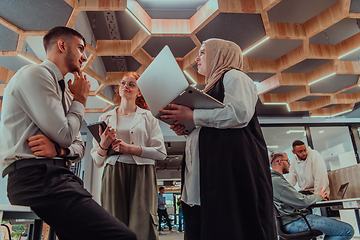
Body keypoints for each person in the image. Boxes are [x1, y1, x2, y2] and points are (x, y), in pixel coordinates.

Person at [0, 26, 136, 240]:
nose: (84, 57)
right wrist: (81, 99)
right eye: (81, 48)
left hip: (58, 177)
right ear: (62, 45)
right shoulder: (36, 74)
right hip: (35, 178)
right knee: (124, 237)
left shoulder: (65, 94)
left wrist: (58, 150)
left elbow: (78, 146)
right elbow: (66, 135)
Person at [159, 38, 276, 240]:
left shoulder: (234, 76)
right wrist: (188, 128)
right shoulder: (207, 89)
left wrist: (193, 117)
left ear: (220, 55)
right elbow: (213, 125)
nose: (197, 58)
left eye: (203, 52)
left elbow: (239, 114)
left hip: (229, 176)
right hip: (204, 182)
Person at [91, 72, 166, 240]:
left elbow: (161, 152)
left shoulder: (148, 117)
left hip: (142, 173)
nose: (125, 86)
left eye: (132, 84)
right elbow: (97, 160)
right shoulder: (105, 117)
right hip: (113, 173)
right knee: (113, 222)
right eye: (123, 83)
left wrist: (130, 149)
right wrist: (103, 145)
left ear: (139, 91)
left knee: (143, 224)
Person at [270, 150, 354, 239]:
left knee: (334, 229)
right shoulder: (277, 181)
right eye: (287, 161)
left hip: (289, 221)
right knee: (347, 230)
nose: (289, 164)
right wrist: (319, 196)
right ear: (280, 162)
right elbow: (301, 202)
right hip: (294, 222)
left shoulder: (273, 180)